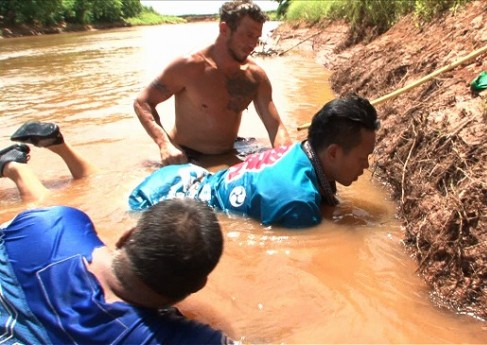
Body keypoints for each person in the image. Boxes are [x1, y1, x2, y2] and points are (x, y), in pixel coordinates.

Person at [0, 122, 233, 344]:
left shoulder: (58, 222)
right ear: (198, 286)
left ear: (126, 236)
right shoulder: (180, 339)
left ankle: (15, 167)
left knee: (40, 206)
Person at [129, 94, 380, 228]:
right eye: (362, 157)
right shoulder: (297, 202)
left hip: (182, 177)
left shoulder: (300, 152)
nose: (366, 166)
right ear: (333, 152)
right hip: (158, 204)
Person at [134, 0, 292, 166]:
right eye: (248, 35)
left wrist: (287, 159)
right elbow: (143, 102)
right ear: (224, 29)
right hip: (187, 156)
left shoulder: (255, 76)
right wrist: (165, 144)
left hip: (232, 150)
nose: (253, 44)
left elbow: (276, 127)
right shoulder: (189, 67)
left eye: (257, 37)